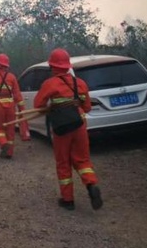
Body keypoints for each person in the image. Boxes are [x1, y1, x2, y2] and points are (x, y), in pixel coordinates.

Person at [33, 48, 103, 211]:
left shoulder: (50, 84)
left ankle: (68, 199)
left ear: (52, 66)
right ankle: (91, 185)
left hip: (62, 128)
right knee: (83, 160)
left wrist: (54, 105)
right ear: (67, 66)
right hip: (79, 124)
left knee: (63, 162)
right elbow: (87, 108)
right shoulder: (80, 83)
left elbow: (38, 105)